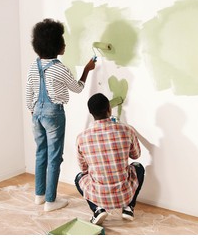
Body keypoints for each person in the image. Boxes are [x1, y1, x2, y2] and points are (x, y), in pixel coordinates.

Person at [26, 18, 97, 212]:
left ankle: (39, 196)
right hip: (53, 114)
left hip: (36, 113)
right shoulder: (59, 68)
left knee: (41, 153)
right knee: (55, 157)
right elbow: (77, 88)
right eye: (62, 40)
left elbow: (28, 93)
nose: (65, 44)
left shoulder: (34, 66)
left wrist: (34, 110)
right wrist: (87, 71)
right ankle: (51, 201)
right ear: (55, 45)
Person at [75, 93, 145, 225]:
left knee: (79, 177)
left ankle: (97, 209)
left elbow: (83, 169)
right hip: (124, 193)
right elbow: (136, 156)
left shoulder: (81, 137)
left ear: (91, 113)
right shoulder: (126, 130)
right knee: (138, 167)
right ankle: (128, 207)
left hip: (99, 194)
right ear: (109, 109)